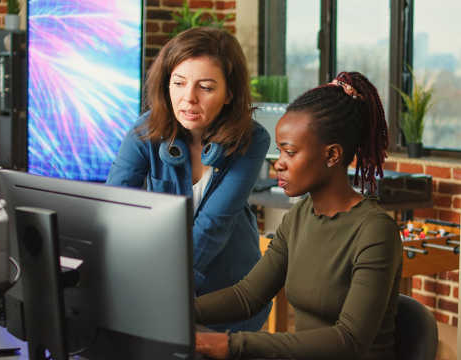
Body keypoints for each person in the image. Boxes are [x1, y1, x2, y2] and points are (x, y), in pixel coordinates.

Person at [194, 71, 403, 360]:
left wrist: (230, 344)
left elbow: (349, 341)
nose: (278, 164)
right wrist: (180, 310)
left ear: (332, 155)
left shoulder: (375, 231)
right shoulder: (301, 215)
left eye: (290, 152)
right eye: (279, 151)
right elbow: (248, 296)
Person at [106, 27, 272, 332]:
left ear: (229, 94)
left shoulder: (251, 139)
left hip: (230, 295)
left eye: (206, 87)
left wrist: (165, 290)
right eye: (179, 83)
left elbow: (212, 225)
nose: (188, 98)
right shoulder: (145, 130)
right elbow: (115, 208)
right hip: (159, 286)